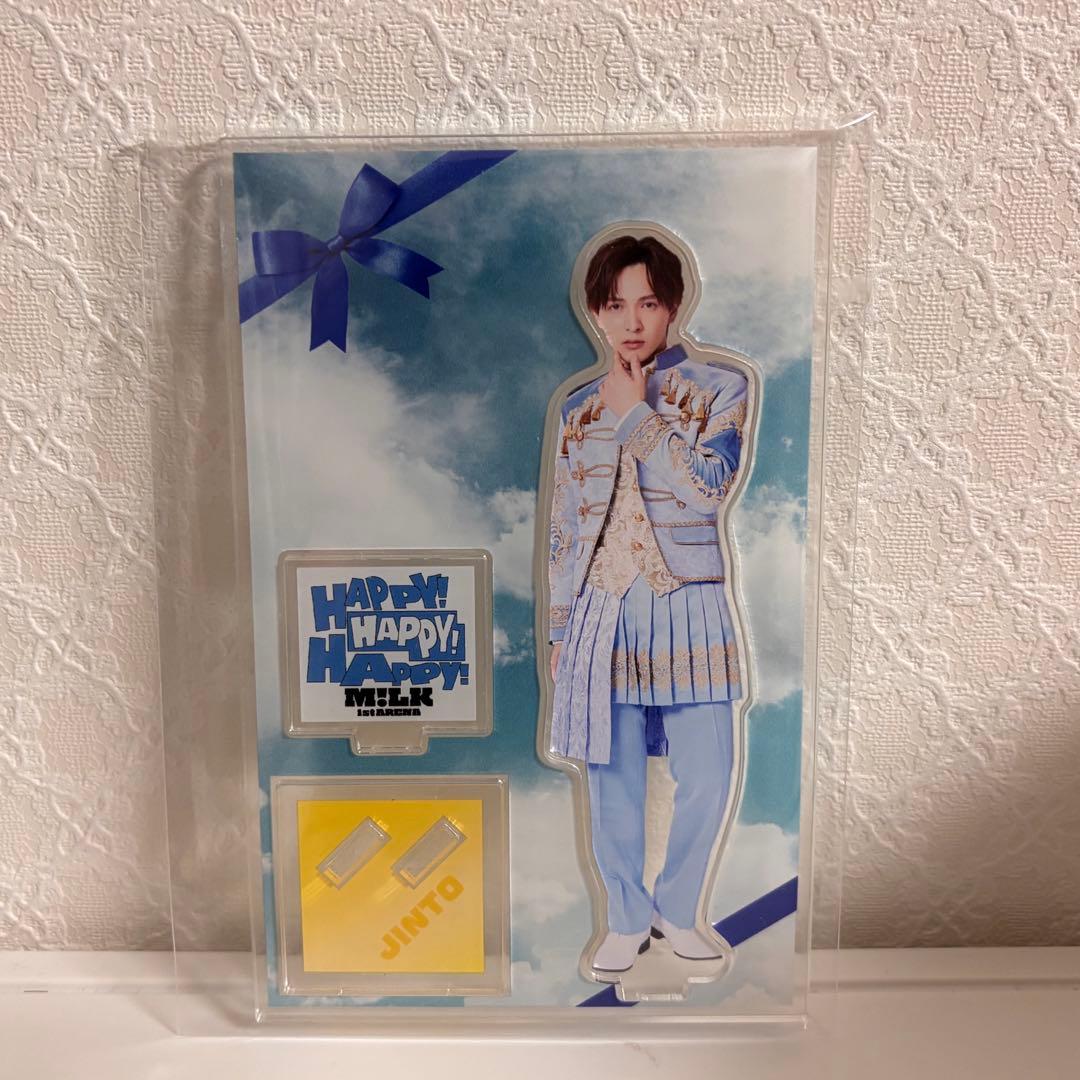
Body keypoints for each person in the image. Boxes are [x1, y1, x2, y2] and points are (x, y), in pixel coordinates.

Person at [546, 231, 753, 977]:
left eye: (648, 302)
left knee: (712, 768)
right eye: (614, 304)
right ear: (596, 312)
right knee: (611, 776)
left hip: (690, 601)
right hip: (602, 609)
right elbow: (565, 528)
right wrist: (560, 630)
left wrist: (638, 416)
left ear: (673, 306)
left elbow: (709, 489)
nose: (631, 321)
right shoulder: (577, 410)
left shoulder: (721, 386)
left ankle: (679, 909)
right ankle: (627, 918)